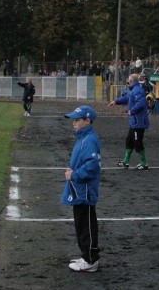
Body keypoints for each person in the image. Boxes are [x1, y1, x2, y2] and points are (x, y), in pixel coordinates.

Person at [60, 105, 101, 272]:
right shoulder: (83, 138)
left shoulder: (89, 140)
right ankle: (86, 255)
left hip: (84, 189)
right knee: (81, 223)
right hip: (79, 189)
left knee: (86, 224)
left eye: (77, 120)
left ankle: (90, 259)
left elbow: (92, 165)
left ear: (87, 121)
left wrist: (74, 175)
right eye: (73, 120)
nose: (74, 123)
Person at [108, 74, 150, 170]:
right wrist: (116, 101)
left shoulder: (137, 91)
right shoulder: (134, 91)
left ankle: (144, 163)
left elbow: (141, 103)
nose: (127, 83)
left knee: (137, 142)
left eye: (128, 81)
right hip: (134, 122)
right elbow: (127, 98)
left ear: (131, 81)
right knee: (129, 141)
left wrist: (131, 111)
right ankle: (125, 162)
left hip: (138, 122)